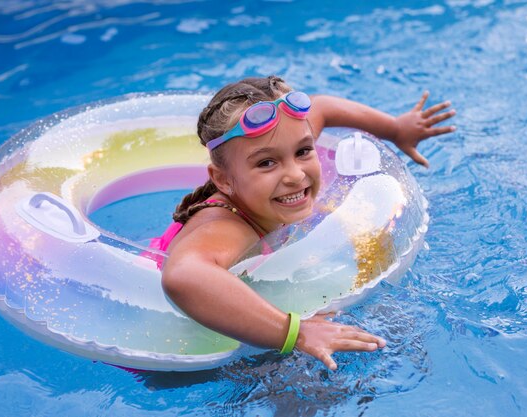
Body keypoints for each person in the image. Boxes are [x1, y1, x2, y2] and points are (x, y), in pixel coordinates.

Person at [158, 75, 455, 370]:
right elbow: (182, 276)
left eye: (303, 151)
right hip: (181, 352)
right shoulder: (227, 227)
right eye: (266, 163)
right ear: (223, 180)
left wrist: (395, 128)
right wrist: (295, 334)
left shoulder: (285, 132)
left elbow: (322, 107)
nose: (296, 175)